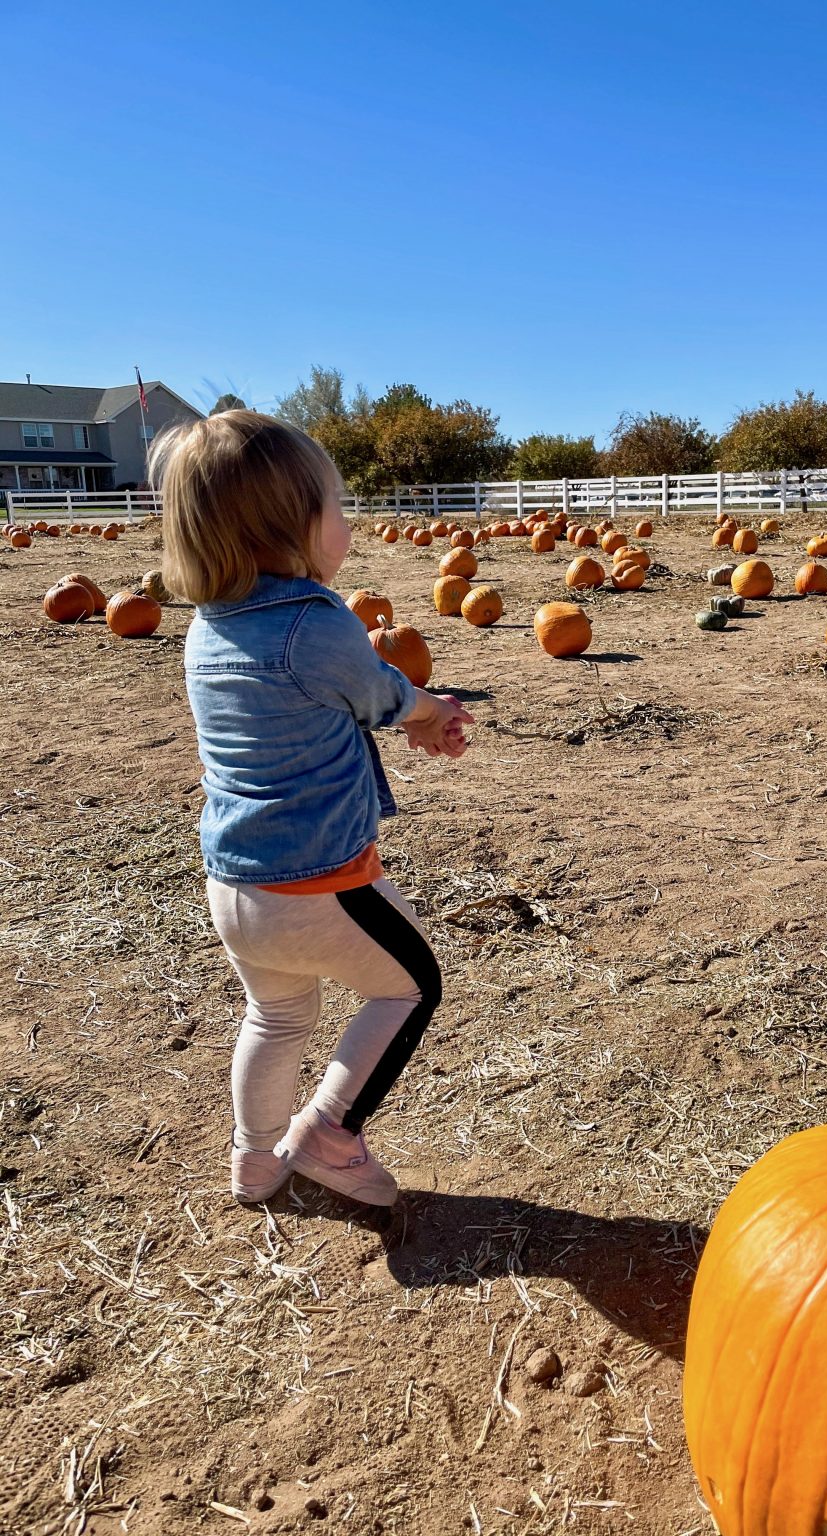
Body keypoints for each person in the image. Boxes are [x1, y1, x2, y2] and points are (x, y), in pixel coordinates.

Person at [152, 410, 473, 1208]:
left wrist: (413, 714)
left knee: (275, 1018)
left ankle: (254, 1162)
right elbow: (382, 695)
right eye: (334, 500)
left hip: (234, 885)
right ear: (289, 525)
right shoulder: (315, 621)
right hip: (318, 884)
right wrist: (433, 714)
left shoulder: (207, 627)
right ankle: (329, 1132)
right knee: (411, 988)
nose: (348, 518)